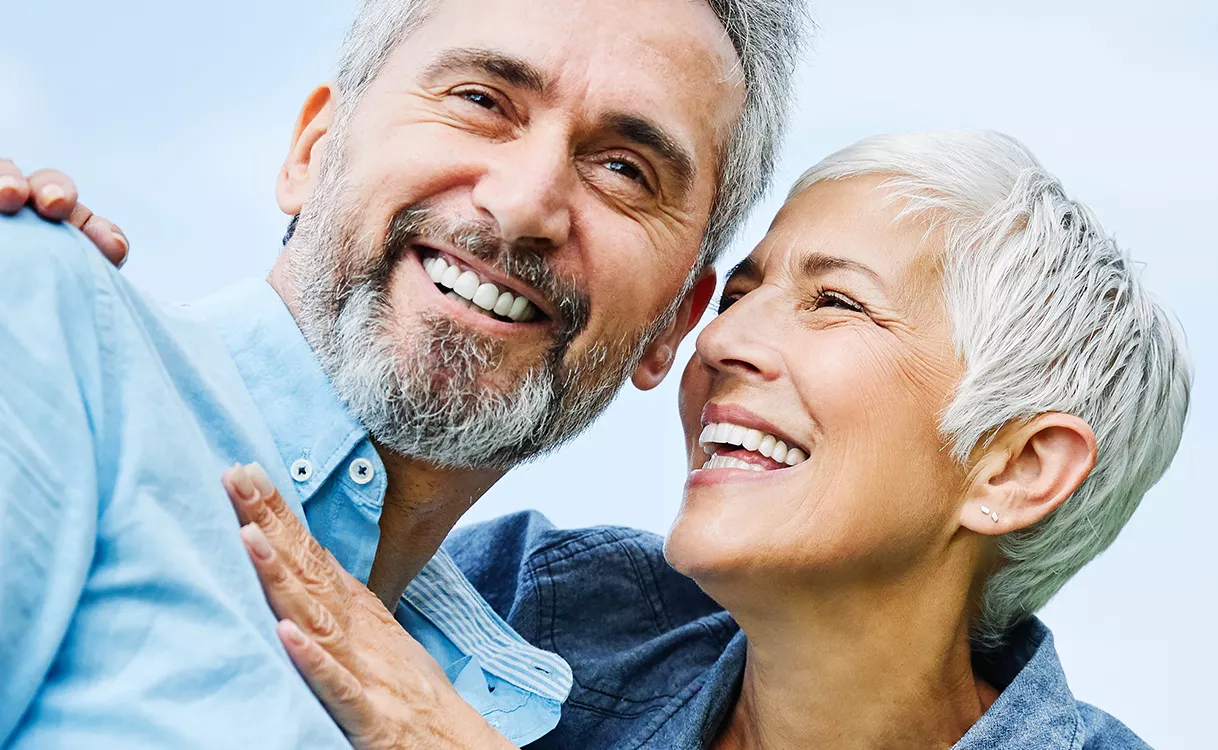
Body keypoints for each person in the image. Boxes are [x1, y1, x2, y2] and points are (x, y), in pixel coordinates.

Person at [0, 0, 807, 745]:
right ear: (313, 152)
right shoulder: (46, 315)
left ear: (672, 326)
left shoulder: (511, 702)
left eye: (625, 169)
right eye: (482, 101)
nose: (526, 205)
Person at [227, 130, 1190, 749]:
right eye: (740, 292)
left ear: (1016, 469)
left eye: (836, 303)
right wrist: (81, 294)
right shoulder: (538, 603)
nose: (721, 341)